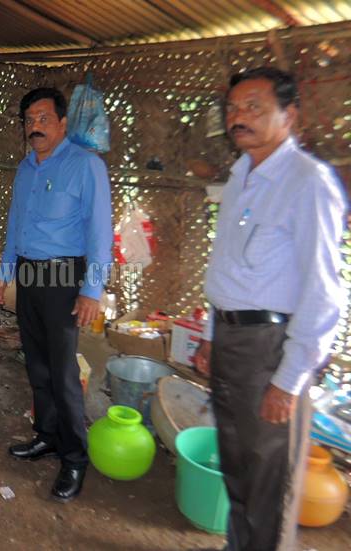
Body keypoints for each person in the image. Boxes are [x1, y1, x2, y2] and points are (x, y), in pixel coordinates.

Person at [194, 67, 347, 550]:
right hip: (232, 339)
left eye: (254, 106)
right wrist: (211, 336)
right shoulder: (242, 176)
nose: (239, 117)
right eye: (234, 108)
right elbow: (228, 271)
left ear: (290, 115)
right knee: (238, 463)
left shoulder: (308, 183)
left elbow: (325, 292)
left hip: (270, 350)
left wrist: (289, 380)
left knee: (268, 478)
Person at [0, 87, 112, 503]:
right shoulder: (25, 169)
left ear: (63, 123)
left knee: (63, 373)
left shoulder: (86, 166)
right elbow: (15, 226)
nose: (34, 126)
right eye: (28, 119)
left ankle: (75, 457)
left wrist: (91, 290)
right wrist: (5, 273)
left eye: (43, 118)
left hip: (65, 278)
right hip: (29, 275)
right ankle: (46, 437)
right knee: (37, 364)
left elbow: (100, 233)